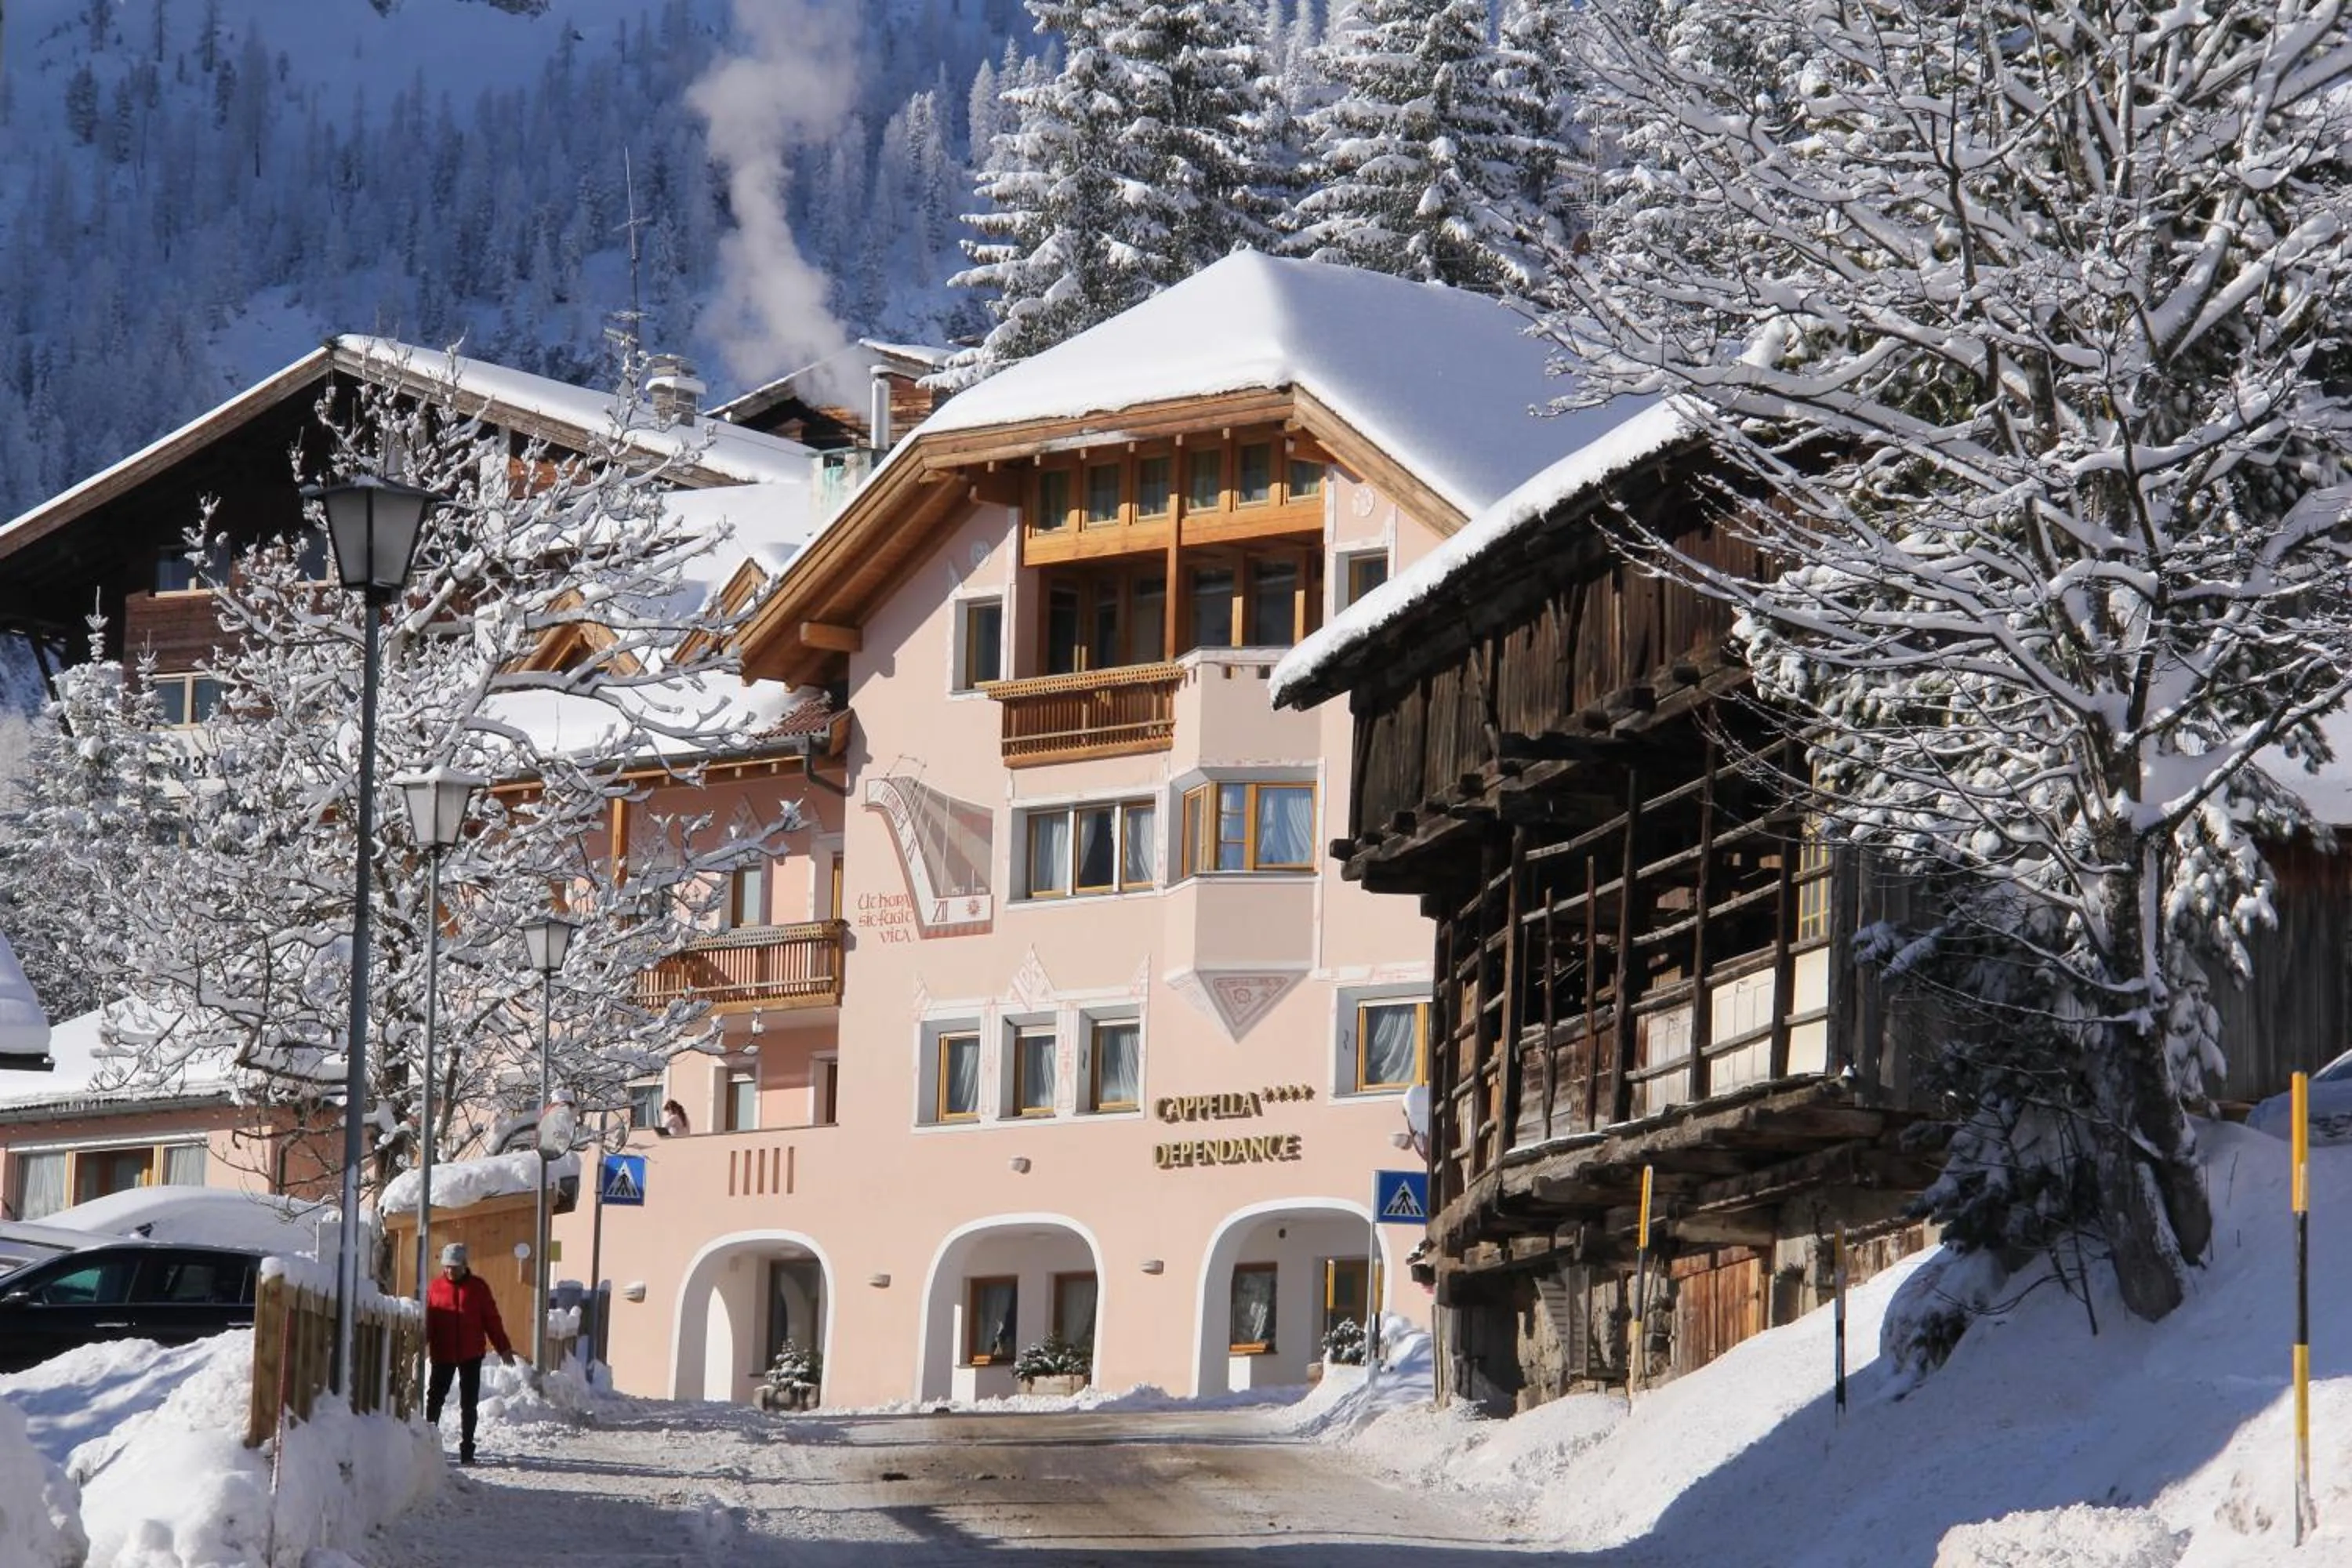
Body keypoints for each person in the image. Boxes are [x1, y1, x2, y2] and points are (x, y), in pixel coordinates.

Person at [425, 1242, 514, 1465]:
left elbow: (492, 1320)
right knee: (435, 1399)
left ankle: (467, 1449)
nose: (449, 1271)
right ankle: (428, 1445)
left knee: (468, 1403)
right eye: (446, 1266)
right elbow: (429, 1321)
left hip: (471, 1354)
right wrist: (419, 1345)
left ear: (465, 1265)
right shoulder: (435, 1288)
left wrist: (503, 1348)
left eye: (454, 1267)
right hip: (442, 1353)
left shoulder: (478, 1288)